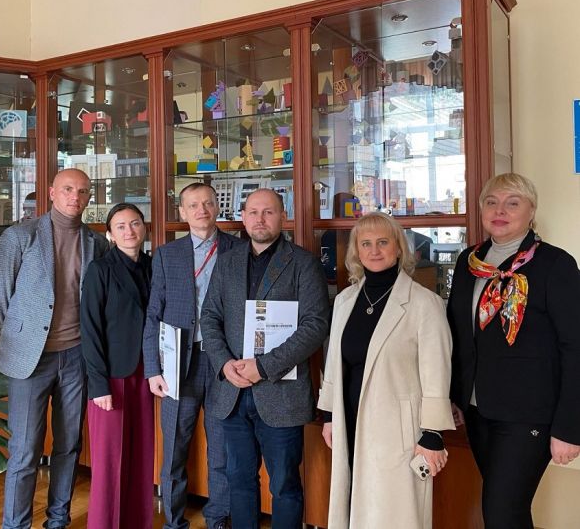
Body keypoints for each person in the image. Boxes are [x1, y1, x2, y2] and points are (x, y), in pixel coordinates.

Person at [448, 173, 580, 529]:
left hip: (529, 414)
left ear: (531, 211)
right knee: (509, 512)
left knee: (501, 512)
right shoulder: (469, 262)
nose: (500, 211)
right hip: (478, 410)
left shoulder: (555, 264)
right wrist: (454, 396)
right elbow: (458, 334)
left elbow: (575, 347)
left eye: (513, 203)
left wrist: (570, 427)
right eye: (491, 202)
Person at [201, 188, 329, 529]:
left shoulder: (303, 263)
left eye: (269, 212)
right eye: (253, 212)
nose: (260, 219)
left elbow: (315, 325)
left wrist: (263, 366)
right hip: (232, 392)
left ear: (283, 217)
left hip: (281, 394)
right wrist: (224, 363)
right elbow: (209, 317)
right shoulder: (227, 262)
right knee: (238, 480)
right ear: (243, 218)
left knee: (285, 485)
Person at [317, 212, 455, 529]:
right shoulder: (345, 300)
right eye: (366, 243)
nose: (374, 250)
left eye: (383, 242)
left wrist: (432, 434)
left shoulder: (424, 303)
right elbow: (334, 361)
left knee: (393, 513)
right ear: (356, 251)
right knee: (355, 505)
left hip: (400, 430)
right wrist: (329, 415)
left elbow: (437, 371)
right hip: (349, 420)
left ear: (398, 248)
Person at [0, 168, 109, 529]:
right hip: (30, 358)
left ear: (89, 198)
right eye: (68, 189)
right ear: (51, 192)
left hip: (76, 357)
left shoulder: (96, 243)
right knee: (25, 450)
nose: (75, 196)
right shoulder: (20, 236)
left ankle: (57, 520)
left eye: (83, 191)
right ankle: (16, 525)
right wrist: (25, 332)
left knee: (68, 445)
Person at [142, 183, 242, 529]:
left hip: (223, 363)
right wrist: (153, 368)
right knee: (174, 449)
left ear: (218, 207)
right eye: (193, 205)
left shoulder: (238, 249)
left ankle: (219, 518)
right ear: (182, 212)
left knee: (221, 449)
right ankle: (173, 521)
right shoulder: (167, 255)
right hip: (177, 364)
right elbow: (153, 313)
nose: (202, 210)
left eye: (208, 203)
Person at [80, 203, 153, 529]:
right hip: (111, 378)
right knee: (110, 462)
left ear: (144, 227)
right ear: (110, 234)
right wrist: (99, 385)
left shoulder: (152, 265)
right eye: (120, 226)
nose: (129, 231)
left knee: (141, 456)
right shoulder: (100, 270)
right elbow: (90, 329)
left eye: (134, 223)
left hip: (146, 373)